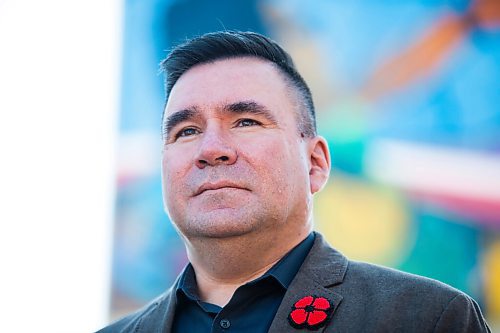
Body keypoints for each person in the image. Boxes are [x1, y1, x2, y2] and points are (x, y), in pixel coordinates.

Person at [98, 31, 491, 332]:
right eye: (185, 131)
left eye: (246, 121)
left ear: (316, 163)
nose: (211, 148)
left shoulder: (426, 318)